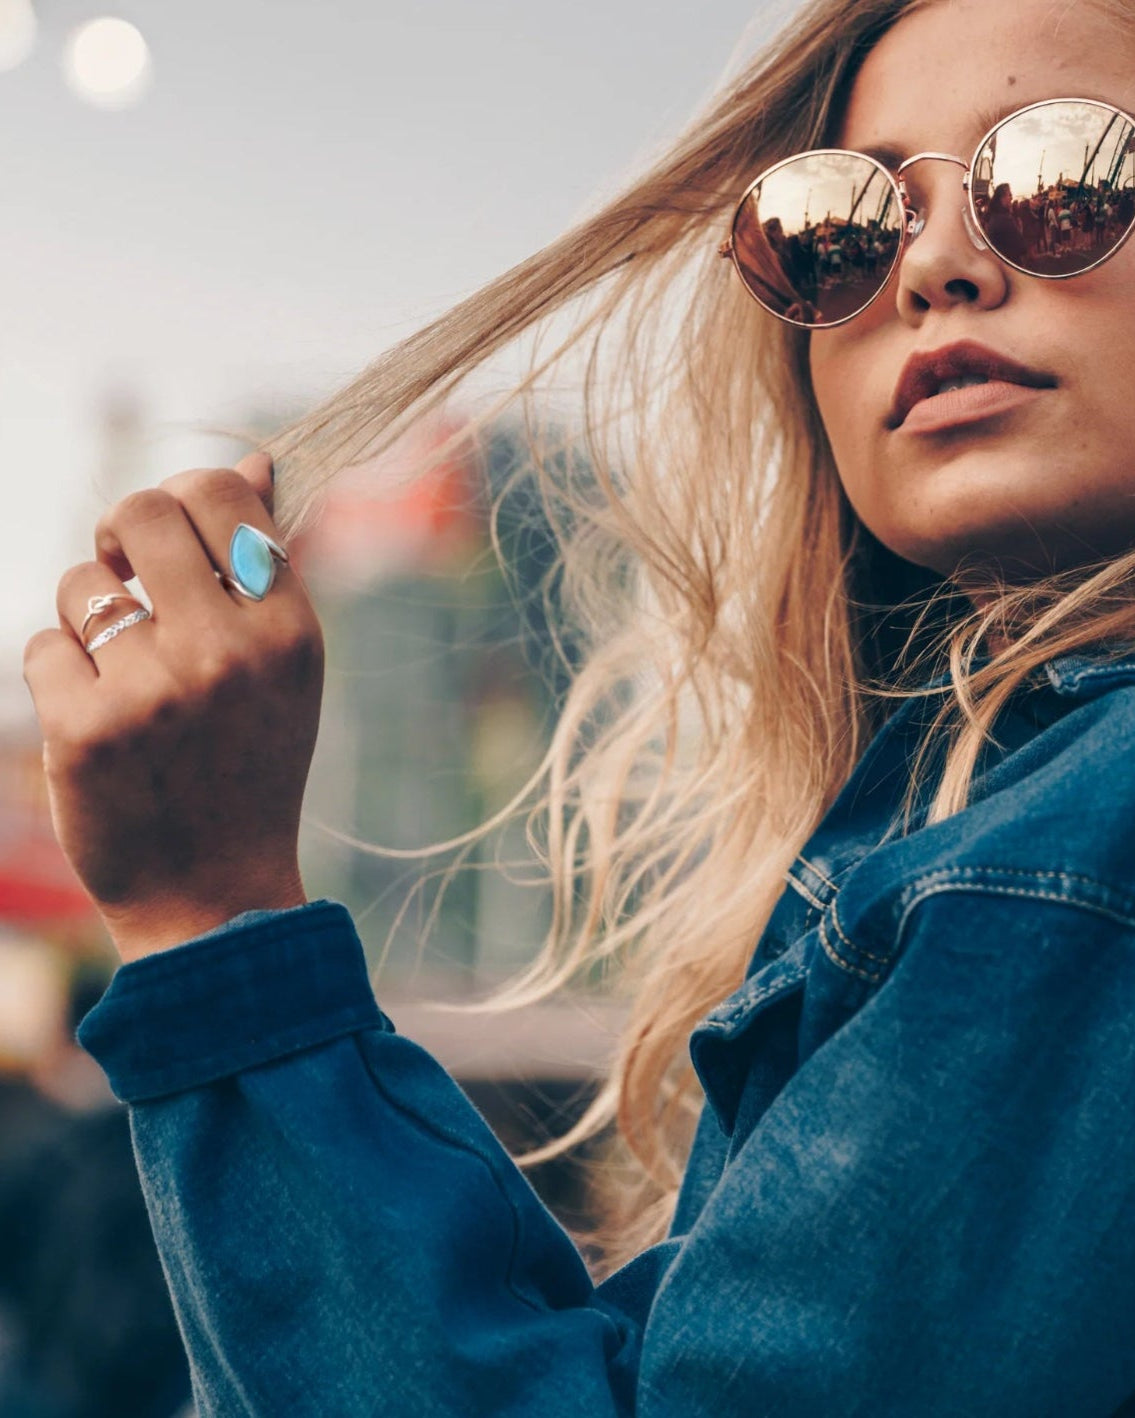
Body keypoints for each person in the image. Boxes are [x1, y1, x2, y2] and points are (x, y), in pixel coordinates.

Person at [20, 0, 1135, 1411]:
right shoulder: (987, 823)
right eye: (847, 227)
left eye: (1061, 178)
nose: (935, 270)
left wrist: (210, 916)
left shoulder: (1069, 859)